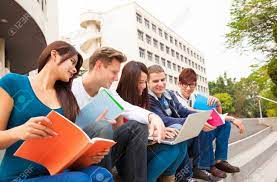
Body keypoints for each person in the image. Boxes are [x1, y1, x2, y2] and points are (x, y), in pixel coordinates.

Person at [0, 41, 113, 182]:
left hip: (55, 174)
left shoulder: (68, 100)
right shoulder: (13, 83)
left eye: (76, 68)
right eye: (72, 62)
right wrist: (19, 131)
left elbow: (66, 157)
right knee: (79, 179)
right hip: (17, 178)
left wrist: (87, 158)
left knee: (101, 175)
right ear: (54, 55)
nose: (74, 70)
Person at [71, 47, 166, 182]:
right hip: (77, 155)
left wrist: (152, 116)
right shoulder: (70, 89)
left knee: (138, 127)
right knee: (102, 126)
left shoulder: (107, 91)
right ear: (98, 66)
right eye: (114, 72)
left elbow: (127, 108)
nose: (116, 79)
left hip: (104, 154)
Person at [116, 61, 187, 182]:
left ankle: (168, 178)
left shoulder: (142, 100)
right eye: (141, 82)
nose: (144, 86)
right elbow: (120, 138)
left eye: (144, 82)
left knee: (180, 142)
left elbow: (147, 127)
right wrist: (150, 134)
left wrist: (160, 131)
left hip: (144, 147)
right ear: (130, 82)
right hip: (127, 157)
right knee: (171, 150)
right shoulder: (118, 100)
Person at [147, 65, 217, 182]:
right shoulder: (148, 99)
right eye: (155, 81)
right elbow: (163, 120)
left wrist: (199, 118)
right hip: (160, 137)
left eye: (163, 80)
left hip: (174, 132)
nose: (160, 84)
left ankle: (195, 170)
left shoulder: (169, 94)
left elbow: (182, 110)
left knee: (192, 130)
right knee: (181, 131)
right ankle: (183, 176)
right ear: (147, 82)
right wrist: (190, 121)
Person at [174, 68, 245, 179]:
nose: (188, 88)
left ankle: (219, 161)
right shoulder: (175, 98)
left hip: (198, 133)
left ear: (195, 85)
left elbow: (216, 116)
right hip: (186, 137)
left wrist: (218, 104)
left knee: (224, 125)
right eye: (185, 85)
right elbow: (193, 113)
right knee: (204, 125)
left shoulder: (196, 97)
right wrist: (231, 118)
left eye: (191, 85)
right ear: (179, 84)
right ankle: (205, 166)